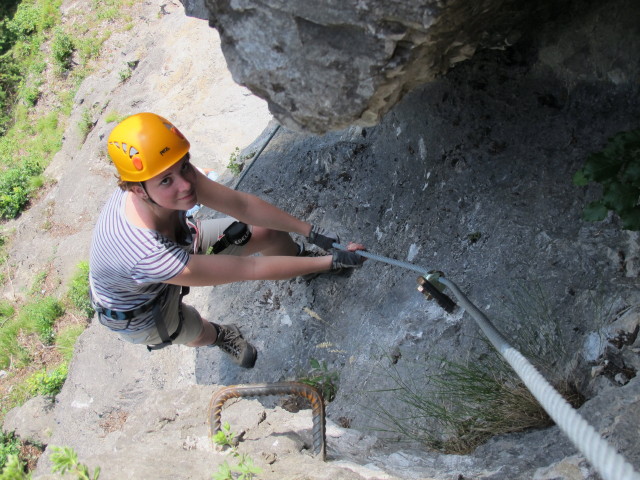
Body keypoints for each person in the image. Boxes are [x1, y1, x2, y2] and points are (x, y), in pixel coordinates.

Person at [89, 112, 366, 369]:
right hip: (141, 310)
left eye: (184, 167)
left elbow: (241, 206)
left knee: (268, 233)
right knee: (194, 329)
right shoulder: (144, 251)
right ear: (138, 191)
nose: (185, 185)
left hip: (178, 244)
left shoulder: (162, 173)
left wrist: (311, 231)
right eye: (166, 181)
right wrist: (332, 261)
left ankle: (302, 262)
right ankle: (221, 336)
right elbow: (250, 269)